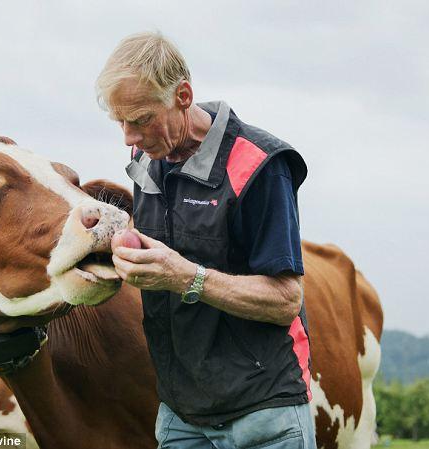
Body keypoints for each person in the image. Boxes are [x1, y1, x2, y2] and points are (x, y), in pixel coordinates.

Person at [96, 32, 317, 449]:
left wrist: (184, 277)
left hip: (263, 413)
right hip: (181, 417)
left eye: (140, 119)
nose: (128, 137)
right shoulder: (145, 161)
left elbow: (285, 299)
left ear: (183, 95)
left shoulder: (258, 164)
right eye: (120, 121)